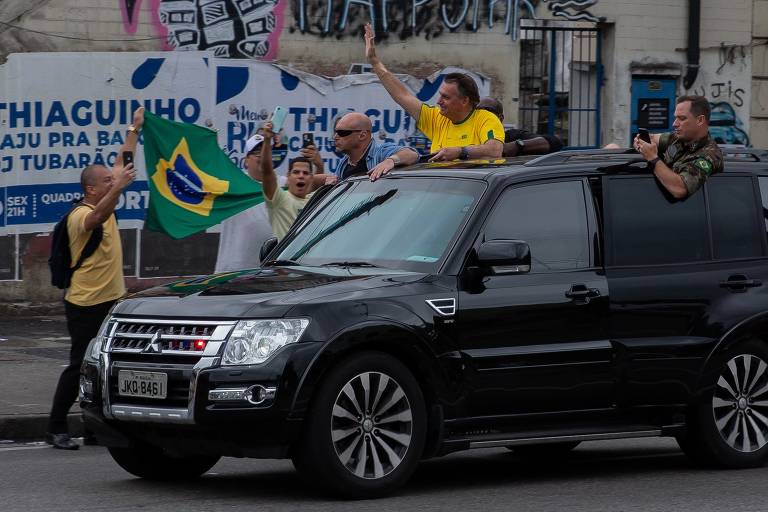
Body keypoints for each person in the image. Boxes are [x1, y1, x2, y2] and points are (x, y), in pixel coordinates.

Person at [46, 109, 140, 450]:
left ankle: (94, 428)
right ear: (91, 188)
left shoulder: (107, 198)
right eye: (106, 182)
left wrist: (134, 128)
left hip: (111, 302)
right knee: (79, 366)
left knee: (104, 366)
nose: (112, 183)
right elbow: (98, 215)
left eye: (111, 181)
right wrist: (119, 188)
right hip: (86, 304)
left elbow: (122, 160)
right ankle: (56, 427)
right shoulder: (80, 215)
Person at [364, 23, 504, 162]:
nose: (438, 101)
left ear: (464, 100)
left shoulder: (485, 119)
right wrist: (374, 62)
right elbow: (402, 95)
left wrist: (460, 152)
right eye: (440, 95)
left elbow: (494, 150)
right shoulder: (437, 119)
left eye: (446, 97)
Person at [634, 95, 723, 199]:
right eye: (676, 118)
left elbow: (680, 189)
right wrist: (640, 141)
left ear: (700, 120)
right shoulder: (678, 138)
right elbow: (652, 139)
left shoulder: (709, 156)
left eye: (682, 118)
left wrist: (653, 158)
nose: (674, 124)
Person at [261, 121, 335, 240]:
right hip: (286, 253)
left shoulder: (314, 199)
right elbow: (266, 171)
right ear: (288, 176)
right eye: (296, 172)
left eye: (305, 173)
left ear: (311, 178)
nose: (301, 176)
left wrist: (319, 164)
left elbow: (324, 180)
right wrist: (267, 140)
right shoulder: (279, 199)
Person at [332, 112, 419, 181]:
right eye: (335, 132)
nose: (335, 137)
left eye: (342, 132)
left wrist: (390, 161)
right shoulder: (344, 164)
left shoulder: (380, 153)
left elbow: (411, 154)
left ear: (362, 135)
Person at [476, 97, 563, 157]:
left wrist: (516, 146)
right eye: (478, 111)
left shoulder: (512, 136)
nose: (483, 115)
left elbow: (555, 142)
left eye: (488, 110)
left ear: (500, 118)